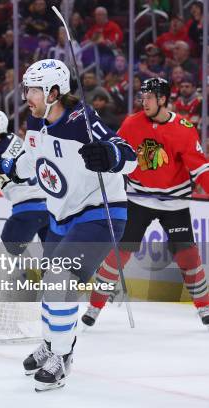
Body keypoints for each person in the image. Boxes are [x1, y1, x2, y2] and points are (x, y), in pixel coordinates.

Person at [0, 59, 136, 391]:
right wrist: (7, 165)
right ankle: (52, 344)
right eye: (26, 89)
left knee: (59, 278)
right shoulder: (37, 122)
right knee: (51, 285)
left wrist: (111, 156)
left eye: (34, 90)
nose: (27, 96)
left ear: (54, 91)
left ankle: (62, 357)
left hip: (100, 214)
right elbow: (31, 160)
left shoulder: (83, 119)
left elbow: (129, 155)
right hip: (61, 217)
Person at [83, 77, 209, 328]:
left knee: (188, 256)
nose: (144, 101)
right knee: (119, 253)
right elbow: (117, 150)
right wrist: (105, 157)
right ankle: (94, 307)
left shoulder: (183, 128)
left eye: (149, 97)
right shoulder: (132, 122)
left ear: (163, 100)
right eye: (143, 97)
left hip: (174, 202)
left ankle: (204, 307)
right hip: (138, 198)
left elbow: (200, 168)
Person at [0, 110, 48, 256]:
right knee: (55, 259)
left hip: (27, 211)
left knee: (4, 259)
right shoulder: (15, 139)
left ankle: (20, 276)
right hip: (49, 209)